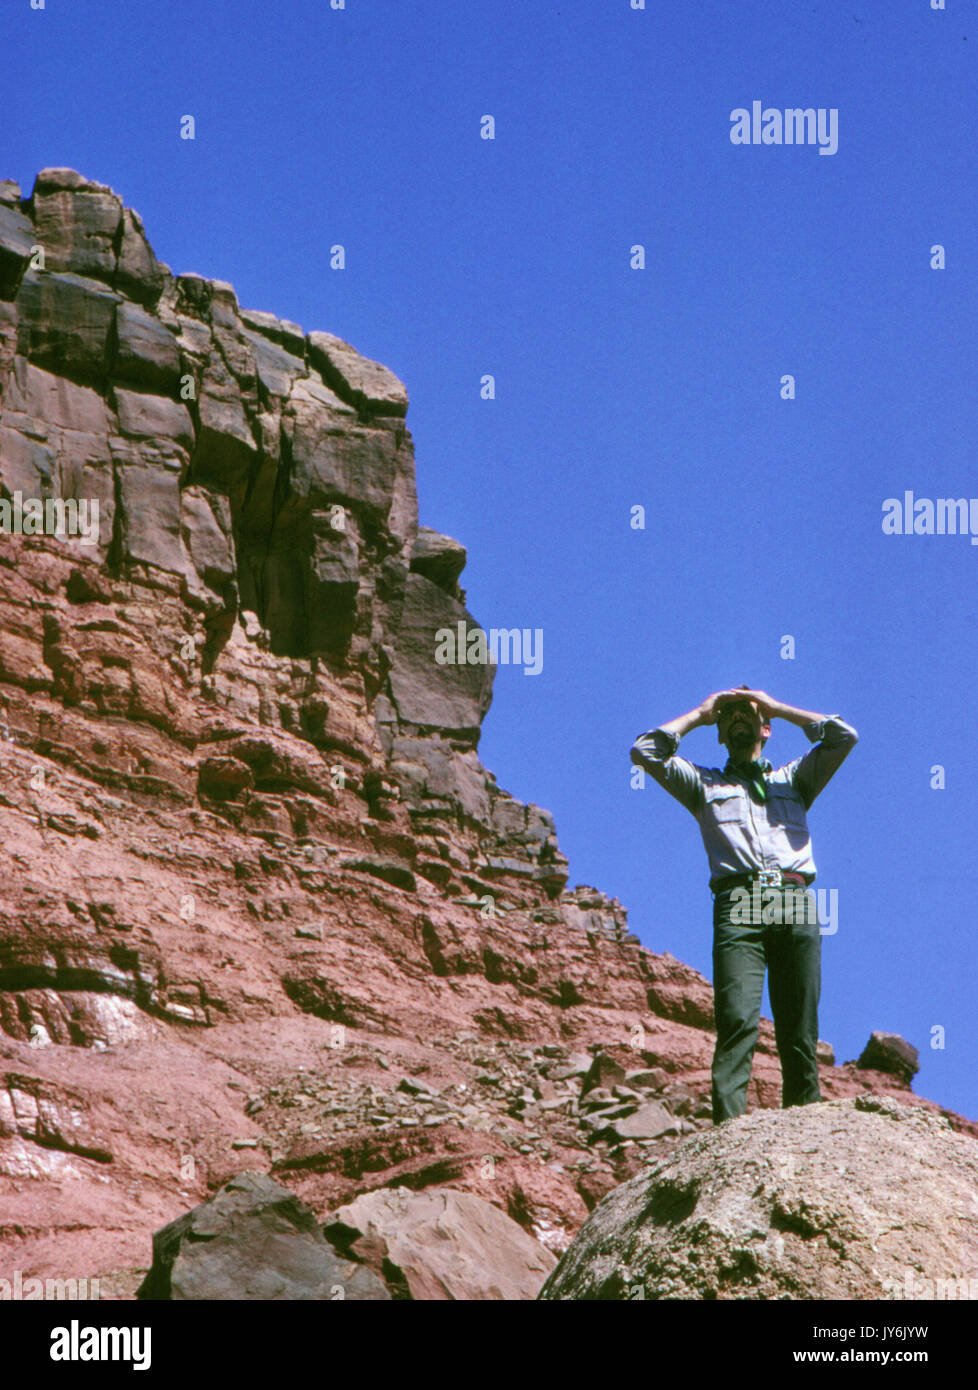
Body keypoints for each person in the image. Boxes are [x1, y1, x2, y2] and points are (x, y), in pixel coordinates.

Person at [629, 687, 858, 1124]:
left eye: (747, 713)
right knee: (737, 1021)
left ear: (765, 727)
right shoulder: (703, 784)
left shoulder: (794, 780)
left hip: (793, 899)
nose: (737, 718)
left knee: (800, 1029)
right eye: (728, 715)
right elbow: (645, 752)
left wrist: (777, 706)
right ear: (718, 733)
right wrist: (699, 713)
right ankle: (729, 1134)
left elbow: (844, 737)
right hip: (738, 904)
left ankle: (804, 1129)